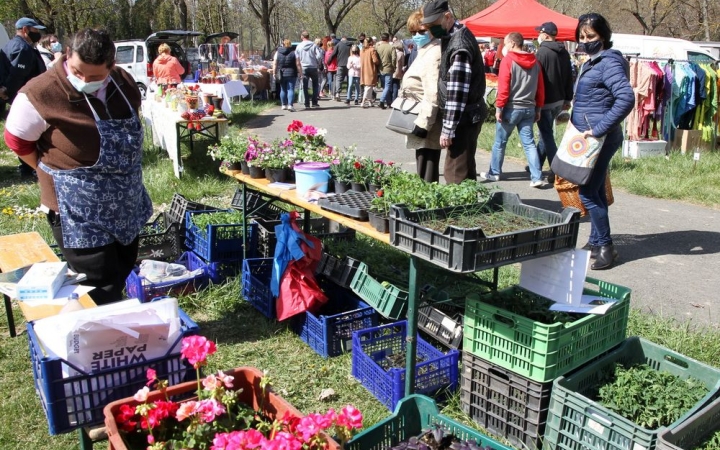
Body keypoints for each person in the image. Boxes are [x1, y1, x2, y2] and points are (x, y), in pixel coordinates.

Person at [3, 28, 151, 305]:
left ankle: (119, 330)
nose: (84, 80)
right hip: (78, 210)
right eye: (77, 71)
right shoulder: (40, 93)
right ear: (68, 55)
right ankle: (105, 341)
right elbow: (17, 141)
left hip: (125, 203)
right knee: (98, 286)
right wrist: (44, 171)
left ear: (112, 65)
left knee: (121, 271)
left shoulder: (123, 82)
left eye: (95, 76)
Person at [569, 13, 634, 270]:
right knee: (593, 189)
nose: (586, 41)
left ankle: (606, 246)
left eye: (591, 36)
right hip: (588, 136)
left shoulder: (609, 62)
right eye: (582, 37)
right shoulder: (593, 61)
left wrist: (598, 129)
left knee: (586, 191)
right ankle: (596, 241)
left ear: (604, 37)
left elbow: (626, 98)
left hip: (600, 139)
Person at [422, 0, 486, 184]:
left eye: (433, 25)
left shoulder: (459, 46)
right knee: (464, 167)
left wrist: (448, 129)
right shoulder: (455, 38)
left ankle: (459, 210)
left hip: (464, 118)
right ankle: (469, 207)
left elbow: (457, 93)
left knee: (456, 173)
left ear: (447, 17)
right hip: (466, 116)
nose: (431, 31)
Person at [480, 32, 545, 187]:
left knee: (500, 142)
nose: (505, 47)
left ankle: (495, 173)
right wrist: (539, 108)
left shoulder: (508, 60)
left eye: (506, 43)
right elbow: (540, 88)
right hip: (529, 107)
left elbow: (504, 87)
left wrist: (499, 107)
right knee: (529, 144)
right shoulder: (535, 61)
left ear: (513, 43)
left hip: (511, 108)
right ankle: (537, 177)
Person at [400, 10, 443, 183]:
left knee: (427, 164)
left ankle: (427, 207)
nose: (417, 35)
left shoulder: (434, 53)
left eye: (421, 31)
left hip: (426, 119)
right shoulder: (424, 50)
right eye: (413, 32)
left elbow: (432, 92)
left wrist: (424, 123)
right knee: (422, 161)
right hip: (417, 113)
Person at [1, 17, 47, 178]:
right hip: (29, 98)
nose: (38, 33)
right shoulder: (23, 49)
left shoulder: (11, 44)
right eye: (35, 30)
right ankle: (32, 168)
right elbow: (17, 74)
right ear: (26, 30)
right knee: (33, 133)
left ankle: (27, 167)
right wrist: (8, 91)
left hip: (20, 97)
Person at [534, 22, 573, 183]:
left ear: (545, 35)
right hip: (559, 100)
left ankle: (557, 169)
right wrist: (568, 98)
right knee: (546, 133)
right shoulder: (564, 52)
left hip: (545, 100)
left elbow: (536, 79)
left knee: (546, 134)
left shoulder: (541, 53)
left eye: (540, 33)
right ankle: (535, 164)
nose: (538, 36)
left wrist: (535, 101)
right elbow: (569, 76)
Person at [295, 31, 323, 109]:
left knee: (305, 86)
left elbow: (297, 58)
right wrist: (318, 63)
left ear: (302, 37)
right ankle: (314, 102)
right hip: (313, 67)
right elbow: (319, 56)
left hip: (303, 67)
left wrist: (299, 68)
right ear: (308, 37)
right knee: (315, 85)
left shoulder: (299, 46)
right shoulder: (314, 45)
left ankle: (306, 103)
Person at [274, 38, 299, 111]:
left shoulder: (278, 52)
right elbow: (298, 63)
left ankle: (283, 104)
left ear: (283, 44)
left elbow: (275, 63)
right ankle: (290, 105)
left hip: (281, 72)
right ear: (290, 44)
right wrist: (300, 72)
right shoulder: (294, 52)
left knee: (283, 89)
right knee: (290, 89)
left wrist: (274, 72)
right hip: (292, 72)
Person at [375, 33, 396, 109]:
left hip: (380, 69)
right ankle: (381, 101)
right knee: (387, 86)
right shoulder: (391, 47)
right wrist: (394, 67)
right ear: (388, 38)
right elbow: (394, 59)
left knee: (384, 87)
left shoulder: (378, 48)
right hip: (389, 68)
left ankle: (388, 102)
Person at [329, 35, 353, 101]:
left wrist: (329, 62)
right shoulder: (350, 45)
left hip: (340, 64)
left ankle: (338, 94)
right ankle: (349, 95)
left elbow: (333, 54)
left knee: (339, 79)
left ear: (341, 39)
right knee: (349, 80)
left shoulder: (338, 45)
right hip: (349, 65)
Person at [360, 38, 380, 108]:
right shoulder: (372, 50)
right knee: (368, 86)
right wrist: (378, 62)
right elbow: (375, 60)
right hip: (370, 70)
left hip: (364, 70)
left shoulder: (362, 50)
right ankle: (363, 101)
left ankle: (370, 101)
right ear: (371, 42)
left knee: (369, 86)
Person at [390, 39, 405, 104]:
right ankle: (394, 100)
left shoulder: (392, 52)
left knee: (390, 85)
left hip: (391, 70)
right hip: (398, 71)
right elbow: (403, 63)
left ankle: (389, 100)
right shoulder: (401, 53)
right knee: (395, 86)